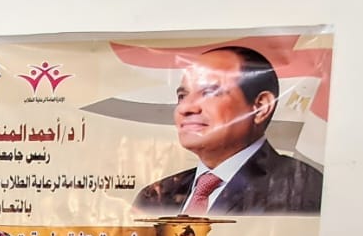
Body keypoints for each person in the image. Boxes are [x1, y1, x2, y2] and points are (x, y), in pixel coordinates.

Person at [132, 46, 322, 216]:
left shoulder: (301, 187)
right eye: (182, 96)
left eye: (209, 93)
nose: (185, 108)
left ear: (260, 107)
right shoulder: (155, 197)